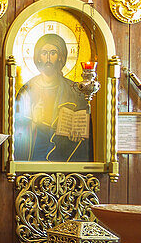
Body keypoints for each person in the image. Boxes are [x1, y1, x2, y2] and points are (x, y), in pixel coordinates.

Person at [13, 33, 91, 162]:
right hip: (36, 148)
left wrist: (78, 132)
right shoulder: (27, 90)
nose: (48, 58)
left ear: (61, 57)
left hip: (64, 151)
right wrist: (33, 122)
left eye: (53, 53)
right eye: (44, 53)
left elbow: (84, 123)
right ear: (38, 57)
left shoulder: (74, 89)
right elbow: (16, 128)